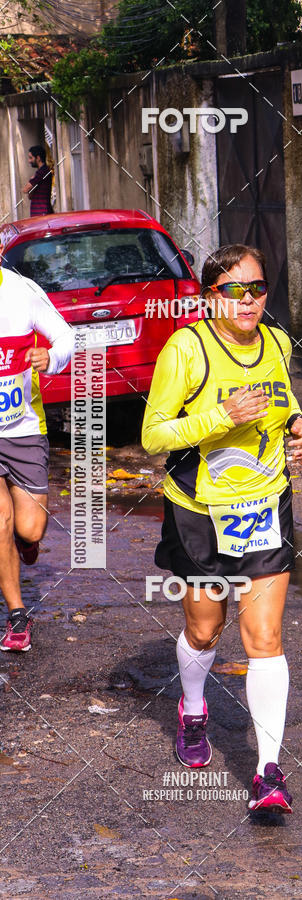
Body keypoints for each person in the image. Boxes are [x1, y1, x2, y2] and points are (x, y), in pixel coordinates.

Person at [142, 243, 302, 814]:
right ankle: (193, 708)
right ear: (211, 295)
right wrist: (220, 417)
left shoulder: (277, 343)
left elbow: (284, 399)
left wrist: (298, 425)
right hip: (199, 509)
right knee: (207, 629)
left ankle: (268, 773)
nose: (248, 301)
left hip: (266, 501)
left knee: (264, 638)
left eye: (257, 288)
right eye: (233, 290)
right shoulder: (185, 349)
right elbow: (154, 435)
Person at [0, 262, 74, 652]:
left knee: (29, 530)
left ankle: (22, 543)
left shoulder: (21, 291)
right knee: (0, 522)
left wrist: (50, 357)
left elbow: (66, 337)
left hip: (24, 429)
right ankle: (16, 616)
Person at [22, 146, 53, 217]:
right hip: (39, 212)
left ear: (38, 158)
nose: (29, 161)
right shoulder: (41, 172)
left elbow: (25, 189)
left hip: (41, 213)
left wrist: (31, 179)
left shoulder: (42, 172)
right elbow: (30, 195)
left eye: (31, 158)